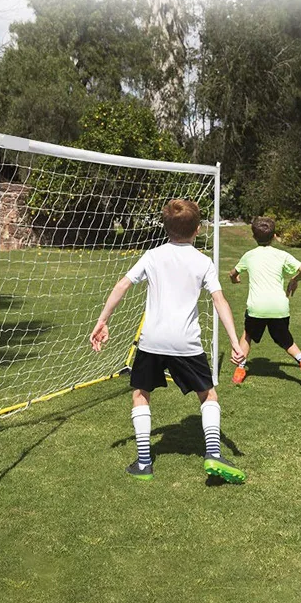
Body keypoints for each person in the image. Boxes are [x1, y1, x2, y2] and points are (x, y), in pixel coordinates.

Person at [90, 199, 246, 483]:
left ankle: (144, 463)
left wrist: (103, 321)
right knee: (208, 395)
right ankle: (213, 452)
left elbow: (122, 284)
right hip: (186, 343)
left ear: (165, 228)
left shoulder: (152, 255)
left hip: (152, 341)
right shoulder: (203, 261)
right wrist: (235, 341)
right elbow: (219, 300)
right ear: (198, 229)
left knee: (140, 394)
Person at [228, 216, 301, 387]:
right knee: (286, 341)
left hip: (257, 308)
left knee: (247, 335)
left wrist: (235, 278)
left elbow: (233, 273)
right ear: (274, 236)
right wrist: (295, 279)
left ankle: (240, 370)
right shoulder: (282, 255)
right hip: (280, 307)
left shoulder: (249, 255)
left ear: (254, 237)